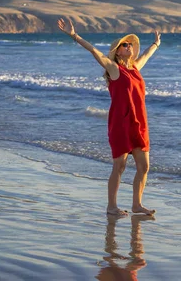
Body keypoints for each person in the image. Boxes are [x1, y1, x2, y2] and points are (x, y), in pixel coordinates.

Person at [57, 18, 161, 216]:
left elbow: (147, 54)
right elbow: (95, 52)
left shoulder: (135, 68)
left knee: (144, 166)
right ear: (118, 51)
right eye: (125, 44)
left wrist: (156, 43)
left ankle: (136, 205)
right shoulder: (114, 69)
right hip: (121, 123)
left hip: (139, 123)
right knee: (120, 165)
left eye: (130, 44)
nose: (129, 46)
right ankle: (111, 206)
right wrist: (74, 36)